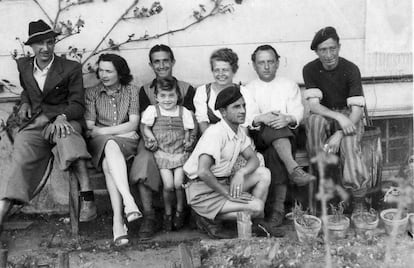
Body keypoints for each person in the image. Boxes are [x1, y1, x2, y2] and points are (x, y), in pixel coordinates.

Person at [0, 20, 97, 234]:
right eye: (40, 44)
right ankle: (2, 213)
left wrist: (63, 116)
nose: (46, 48)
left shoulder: (70, 68)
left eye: (50, 42)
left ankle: (88, 197)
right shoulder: (24, 65)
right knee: (21, 158)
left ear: (54, 43)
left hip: (64, 119)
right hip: (36, 122)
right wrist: (25, 102)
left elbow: (78, 104)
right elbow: (28, 89)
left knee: (68, 137)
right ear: (31, 46)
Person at [184, 85, 284, 239]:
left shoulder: (237, 131)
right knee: (257, 206)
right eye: (236, 107)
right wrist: (227, 194)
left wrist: (241, 173)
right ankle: (206, 218)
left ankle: (255, 224)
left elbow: (253, 158)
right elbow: (203, 171)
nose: (243, 110)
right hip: (202, 190)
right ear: (223, 112)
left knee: (264, 173)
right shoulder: (216, 133)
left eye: (244, 106)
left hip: (222, 183)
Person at [129, 44, 196, 239]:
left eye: (165, 60)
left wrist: (191, 140)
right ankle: (150, 215)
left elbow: (190, 120)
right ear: (151, 65)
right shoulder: (144, 90)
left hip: (180, 140)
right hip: (154, 139)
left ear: (172, 62)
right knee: (143, 160)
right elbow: (143, 123)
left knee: (194, 160)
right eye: (156, 62)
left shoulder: (185, 88)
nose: (161, 65)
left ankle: (192, 212)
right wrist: (149, 140)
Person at [245, 45, 315, 227]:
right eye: (261, 63)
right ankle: (293, 169)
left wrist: (287, 118)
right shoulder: (249, 88)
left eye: (270, 62)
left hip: (288, 135)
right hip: (261, 136)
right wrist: (262, 118)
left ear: (277, 63)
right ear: (254, 65)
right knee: (273, 128)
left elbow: (297, 113)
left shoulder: (288, 84)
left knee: (276, 152)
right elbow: (247, 118)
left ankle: (277, 211)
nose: (266, 66)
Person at [302, 26, 369, 213]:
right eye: (323, 50)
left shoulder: (351, 68)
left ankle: (358, 199)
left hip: (350, 117)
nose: (329, 54)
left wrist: (340, 132)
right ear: (316, 51)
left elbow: (356, 110)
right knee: (314, 123)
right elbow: (314, 106)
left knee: (348, 143)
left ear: (339, 47)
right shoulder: (310, 69)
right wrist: (338, 117)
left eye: (332, 48)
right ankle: (322, 185)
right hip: (327, 115)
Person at [85, 53, 142, 246]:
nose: (104, 75)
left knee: (109, 162)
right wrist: (116, 133)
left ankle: (118, 223)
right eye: (101, 70)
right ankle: (129, 201)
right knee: (109, 144)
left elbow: (134, 124)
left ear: (120, 73)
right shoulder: (92, 93)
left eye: (109, 71)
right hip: (101, 144)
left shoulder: (131, 91)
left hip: (125, 144)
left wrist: (104, 131)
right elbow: (90, 129)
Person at [141, 78, 195, 231]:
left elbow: (188, 130)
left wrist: (187, 140)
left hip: (179, 152)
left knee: (179, 184)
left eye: (171, 95)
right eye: (163, 96)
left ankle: (179, 210)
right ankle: (168, 213)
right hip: (162, 152)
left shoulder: (183, 112)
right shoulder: (153, 110)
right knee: (168, 185)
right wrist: (150, 136)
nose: (167, 100)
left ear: (177, 96)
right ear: (156, 97)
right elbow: (146, 128)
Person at [193, 48, 252, 133]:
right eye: (217, 70)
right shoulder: (203, 91)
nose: (220, 74)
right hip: (211, 139)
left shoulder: (244, 92)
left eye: (225, 70)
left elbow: (244, 126)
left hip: (238, 140)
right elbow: (202, 123)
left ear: (233, 70)